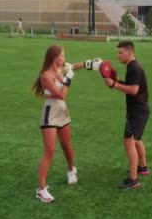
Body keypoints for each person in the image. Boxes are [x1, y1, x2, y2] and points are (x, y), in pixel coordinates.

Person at [31, 45, 102, 202]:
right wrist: (69, 76)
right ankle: (41, 189)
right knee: (49, 150)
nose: (64, 58)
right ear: (53, 57)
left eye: (64, 56)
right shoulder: (46, 76)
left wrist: (91, 64)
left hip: (62, 112)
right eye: (61, 56)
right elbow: (61, 95)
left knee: (67, 145)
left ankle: (71, 170)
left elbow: (74, 65)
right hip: (50, 113)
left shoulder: (60, 68)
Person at [103, 41, 150, 189]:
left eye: (120, 53)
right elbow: (131, 86)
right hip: (140, 109)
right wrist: (117, 81)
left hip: (137, 110)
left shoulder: (134, 68)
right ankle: (143, 167)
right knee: (136, 140)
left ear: (129, 52)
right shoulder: (132, 66)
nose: (118, 55)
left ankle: (133, 180)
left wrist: (114, 84)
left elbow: (134, 90)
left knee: (128, 141)